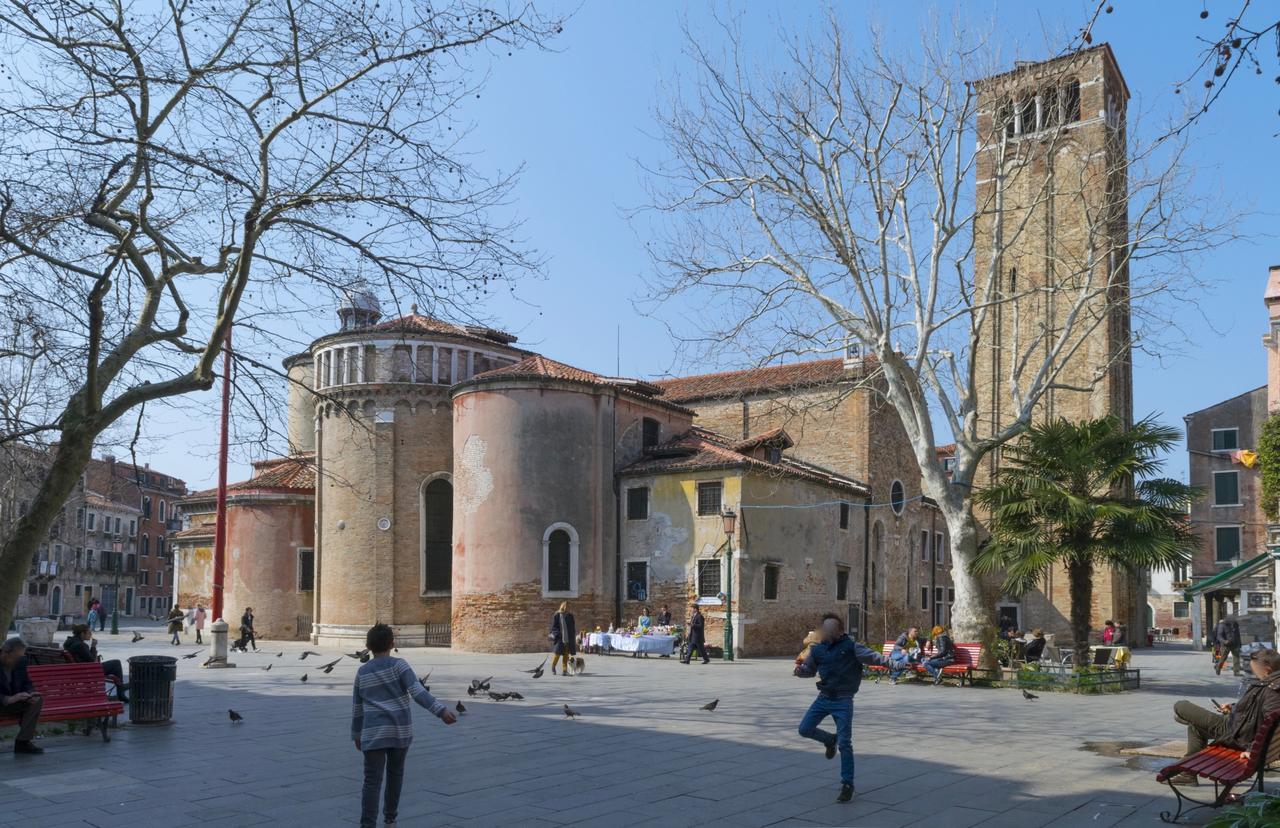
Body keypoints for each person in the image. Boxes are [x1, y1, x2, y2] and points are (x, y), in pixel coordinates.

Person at [352, 623, 456, 828]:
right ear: (392, 643)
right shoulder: (400, 665)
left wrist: (356, 734)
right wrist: (441, 711)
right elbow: (418, 692)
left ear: (368, 646)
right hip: (399, 731)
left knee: (371, 781)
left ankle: (367, 824)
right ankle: (390, 819)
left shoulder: (362, 672)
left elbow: (357, 707)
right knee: (395, 774)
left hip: (372, 733)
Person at [794, 612, 890, 803]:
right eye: (825, 628)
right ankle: (829, 739)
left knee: (845, 744)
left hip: (843, 700)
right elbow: (809, 671)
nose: (828, 632)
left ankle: (847, 784)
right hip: (824, 697)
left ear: (839, 631)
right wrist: (800, 671)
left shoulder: (852, 647)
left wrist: (897, 663)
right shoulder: (818, 649)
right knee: (804, 729)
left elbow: (876, 658)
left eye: (832, 628)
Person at [1168, 648, 1280, 784]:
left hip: (1233, 732)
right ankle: (1188, 775)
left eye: (1255, 670)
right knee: (1194, 727)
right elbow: (1256, 710)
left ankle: (1184, 720)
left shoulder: (1273, 691)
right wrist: (1233, 708)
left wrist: (1252, 750)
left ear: (1267, 670)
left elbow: (1272, 724)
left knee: (1181, 705)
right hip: (1237, 725)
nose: (1254, 673)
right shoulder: (1270, 683)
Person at [0, 637, 44, 754]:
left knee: (37, 701)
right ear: (5, 652)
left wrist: (30, 693)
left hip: (12, 702)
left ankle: (23, 742)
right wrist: (8, 699)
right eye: (16, 657)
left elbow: (26, 682)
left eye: (21, 656)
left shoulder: (20, 661)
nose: (19, 659)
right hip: (3, 701)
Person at [63, 625, 128, 703]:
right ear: (82, 634)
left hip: (78, 669)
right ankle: (120, 690)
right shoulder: (80, 645)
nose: (91, 635)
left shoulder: (69, 642)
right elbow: (92, 661)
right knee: (116, 663)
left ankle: (121, 689)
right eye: (89, 633)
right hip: (87, 671)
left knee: (114, 663)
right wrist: (93, 646)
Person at [549, 602, 577, 676]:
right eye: (567, 607)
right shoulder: (557, 615)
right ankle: (553, 666)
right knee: (557, 654)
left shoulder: (570, 616)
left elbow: (572, 627)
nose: (568, 608)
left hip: (568, 638)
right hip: (560, 638)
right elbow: (554, 627)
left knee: (566, 655)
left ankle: (564, 670)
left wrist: (572, 635)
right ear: (563, 606)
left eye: (569, 607)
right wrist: (558, 634)